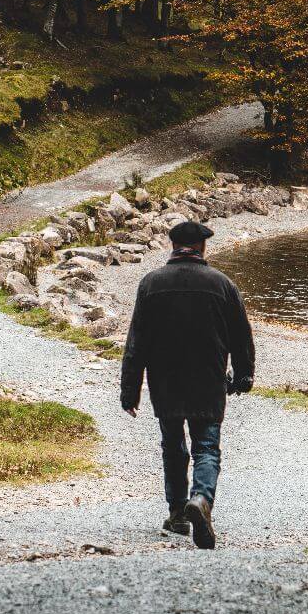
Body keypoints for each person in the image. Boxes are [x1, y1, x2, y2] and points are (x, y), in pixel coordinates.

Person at [120, 220, 255, 549]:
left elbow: (136, 341)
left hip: (165, 380)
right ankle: (201, 499)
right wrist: (244, 375)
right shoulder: (222, 284)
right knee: (207, 447)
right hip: (207, 379)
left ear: (173, 245)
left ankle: (179, 514)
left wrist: (130, 389)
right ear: (202, 247)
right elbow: (241, 336)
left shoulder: (151, 284)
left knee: (173, 448)